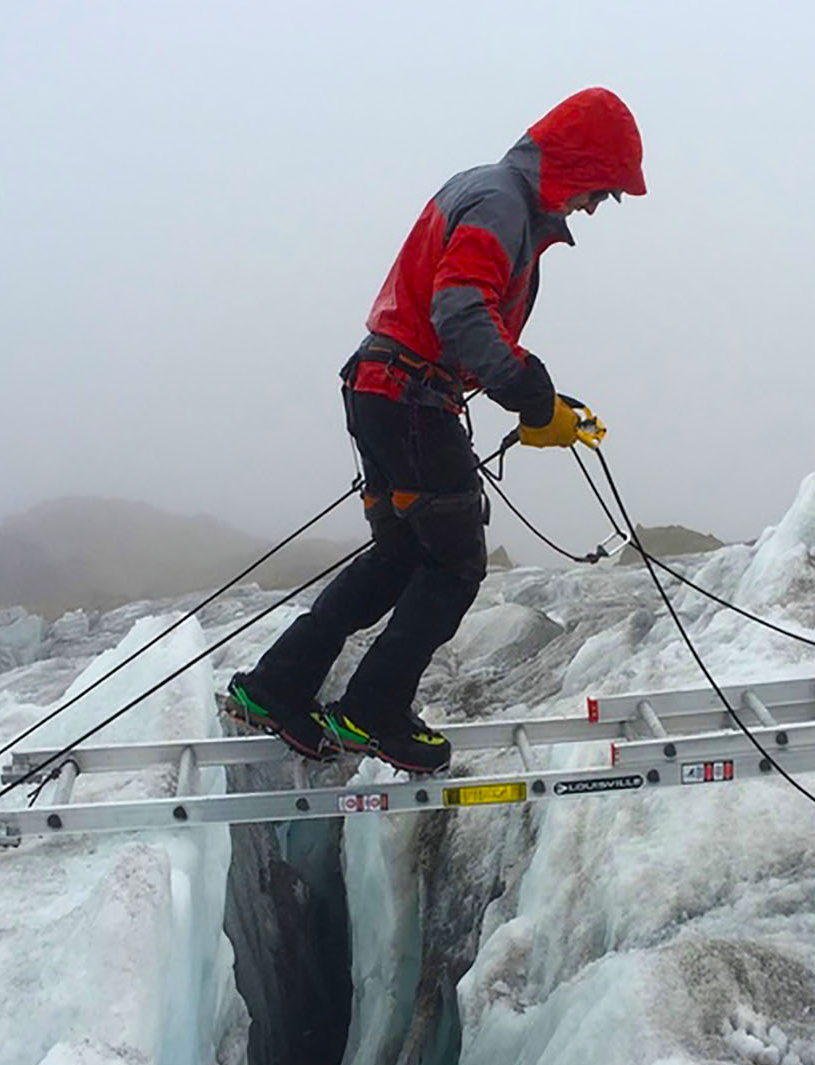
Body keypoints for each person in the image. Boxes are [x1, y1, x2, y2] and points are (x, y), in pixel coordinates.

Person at [227, 88, 646, 775]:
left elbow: (459, 321)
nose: (595, 207)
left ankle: (276, 686)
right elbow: (461, 313)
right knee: (454, 567)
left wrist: (539, 402)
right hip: (413, 399)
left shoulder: (487, 191)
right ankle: (372, 710)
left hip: (382, 388)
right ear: (579, 166)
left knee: (398, 558)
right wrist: (530, 396)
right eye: (601, 190)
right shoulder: (502, 203)